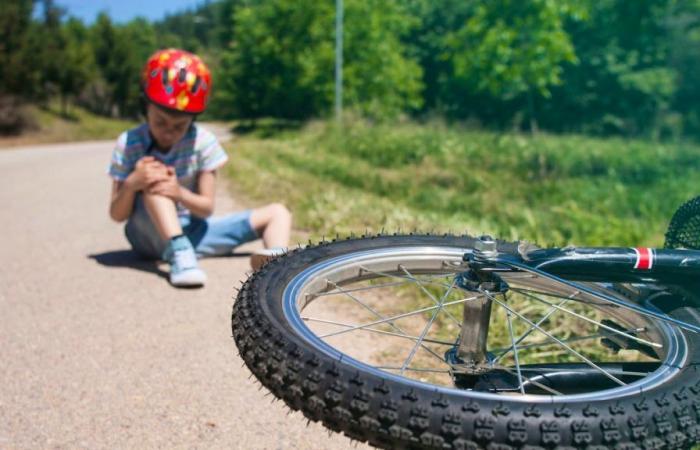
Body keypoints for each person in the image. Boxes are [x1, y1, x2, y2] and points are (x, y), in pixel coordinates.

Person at [107, 48, 291, 287]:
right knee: (156, 179)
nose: (168, 131)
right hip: (146, 237)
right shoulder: (129, 142)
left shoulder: (203, 142)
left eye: (179, 126)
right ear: (146, 108)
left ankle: (277, 265)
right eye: (160, 121)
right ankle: (180, 255)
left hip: (193, 233)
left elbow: (205, 209)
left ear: (192, 120)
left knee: (278, 212)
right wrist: (133, 183)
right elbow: (116, 215)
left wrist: (179, 193)